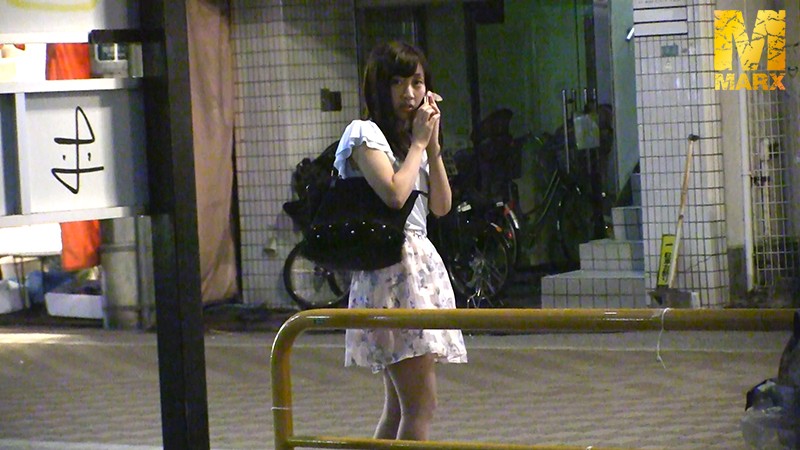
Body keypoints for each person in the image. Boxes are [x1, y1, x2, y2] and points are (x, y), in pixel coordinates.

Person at [334, 41, 468, 442]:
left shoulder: (414, 143)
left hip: (418, 272)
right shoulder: (364, 134)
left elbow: (441, 206)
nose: (409, 93)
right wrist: (419, 145)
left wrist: (433, 147)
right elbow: (395, 194)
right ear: (379, 86)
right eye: (397, 82)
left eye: (417, 82)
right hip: (391, 273)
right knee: (421, 406)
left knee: (400, 408)